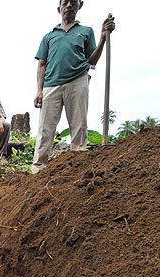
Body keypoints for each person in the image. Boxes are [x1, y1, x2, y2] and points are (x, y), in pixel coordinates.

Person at [32, 0, 115, 173]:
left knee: (78, 125)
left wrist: (102, 38)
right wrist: (39, 90)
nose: (69, 5)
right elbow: (41, 64)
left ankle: (77, 166)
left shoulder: (85, 31)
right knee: (45, 129)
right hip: (51, 85)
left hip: (77, 80)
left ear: (79, 6)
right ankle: (38, 168)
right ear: (59, 8)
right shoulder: (49, 36)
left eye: (73, 2)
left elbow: (92, 60)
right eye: (65, 3)